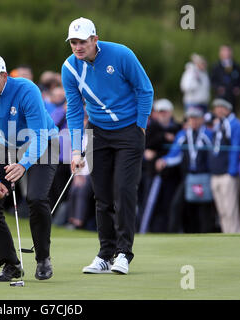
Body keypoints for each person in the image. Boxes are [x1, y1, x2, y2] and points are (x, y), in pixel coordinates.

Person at [61, 17, 153, 275]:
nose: (78, 47)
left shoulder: (121, 54)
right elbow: (75, 109)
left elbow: (144, 89)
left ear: (94, 40)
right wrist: (77, 149)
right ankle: (105, 254)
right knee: (101, 195)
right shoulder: (69, 68)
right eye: (73, 42)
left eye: (82, 42)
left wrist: (141, 126)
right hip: (98, 133)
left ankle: (123, 253)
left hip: (129, 131)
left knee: (123, 191)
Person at [0, 53, 59, 282]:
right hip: (7, 146)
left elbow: (38, 135)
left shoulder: (26, 89)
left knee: (37, 198)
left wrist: (23, 165)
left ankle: (43, 259)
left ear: (4, 75)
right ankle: (11, 264)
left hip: (44, 142)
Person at [155, 107, 216, 233]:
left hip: (206, 176)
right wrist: (165, 160)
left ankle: (207, 235)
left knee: (205, 207)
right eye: (191, 118)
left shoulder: (208, 134)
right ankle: (172, 234)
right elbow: (175, 154)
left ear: (201, 120)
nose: (193, 121)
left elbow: (214, 155)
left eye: (196, 118)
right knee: (176, 205)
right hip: (189, 177)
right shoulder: (183, 134)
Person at [140, 99, 182, 233]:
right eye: (159, 112)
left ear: (170, 112)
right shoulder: (151, 127)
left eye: (164, 111)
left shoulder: (177, 127)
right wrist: (164, 137)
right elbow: (148, 146)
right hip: (155, 174)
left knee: (169, 205)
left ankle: (167, 231)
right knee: (150, 205)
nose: (161, 114)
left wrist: (157, 151)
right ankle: (144, 231)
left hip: (173, 174)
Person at [209, 98, 240, 233]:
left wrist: (232, 171)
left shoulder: (234, 124)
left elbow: (235, 148)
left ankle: (234, 235)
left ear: (228, 109)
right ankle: (226, 234)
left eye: (222, 107)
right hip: (216, 173)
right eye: (216, 108)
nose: (219, 110)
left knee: (230, 210)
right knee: (222, 211)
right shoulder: (219, 124)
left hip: (227, 173)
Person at [210, 45, 240, 114]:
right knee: (220, 114)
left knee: (232, 114)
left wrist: (238, 88)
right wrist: (218, 88)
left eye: (228, 51)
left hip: (232, 98)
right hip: (221, 97)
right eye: (224, 51)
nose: (227, 53)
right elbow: (212, 81)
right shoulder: (216, 67)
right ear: (220, 53)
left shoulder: (236, 66)